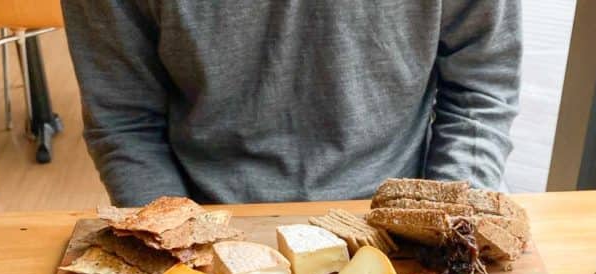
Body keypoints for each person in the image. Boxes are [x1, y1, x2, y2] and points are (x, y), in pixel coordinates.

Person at [61, 1, 521, 206]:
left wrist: (451, 221)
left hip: (406, 217)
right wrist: (180, 246)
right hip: (206, 217)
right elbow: (123, 119)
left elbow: (481, 83)